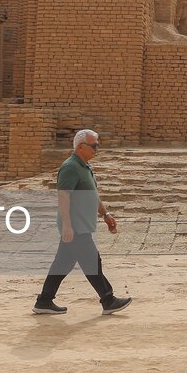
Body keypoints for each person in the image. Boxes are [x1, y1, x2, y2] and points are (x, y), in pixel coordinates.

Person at [32, 129, 132, 316]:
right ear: (80, 147)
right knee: (92, 262)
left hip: (82, 225)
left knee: (62, 264)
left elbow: (92, 195)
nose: (97, 148)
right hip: (75, 227)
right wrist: (67, 226)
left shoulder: (85, 167)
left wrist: (105, 214)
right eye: (94, 145)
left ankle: (44, 301)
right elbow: (63, 198)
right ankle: (108, 300)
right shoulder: (70, 167)